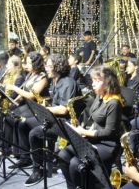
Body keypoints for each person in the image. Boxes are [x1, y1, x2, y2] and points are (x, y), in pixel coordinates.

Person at [58, 65, 123, 188]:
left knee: (75, 164)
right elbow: (93, 118)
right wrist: (81, 126)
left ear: (108, 83)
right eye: (93, 80)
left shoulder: (114, 103)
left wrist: (84, 132)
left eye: (97, 81)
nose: (93, 84)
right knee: (63, 155)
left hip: (107, 145)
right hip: (94, 139)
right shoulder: (100, 96)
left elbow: (109, 132)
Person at [22, 54, 79, 186]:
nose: (45, 68)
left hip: (65, 123)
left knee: (34, 134)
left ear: (57, 67)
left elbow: (64, 110)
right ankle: (32, 158)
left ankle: (39, 169)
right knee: (24, 123)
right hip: (54, 118)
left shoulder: (68, 82)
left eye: (48, 65)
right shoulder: (55, 80)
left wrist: (44, 110)